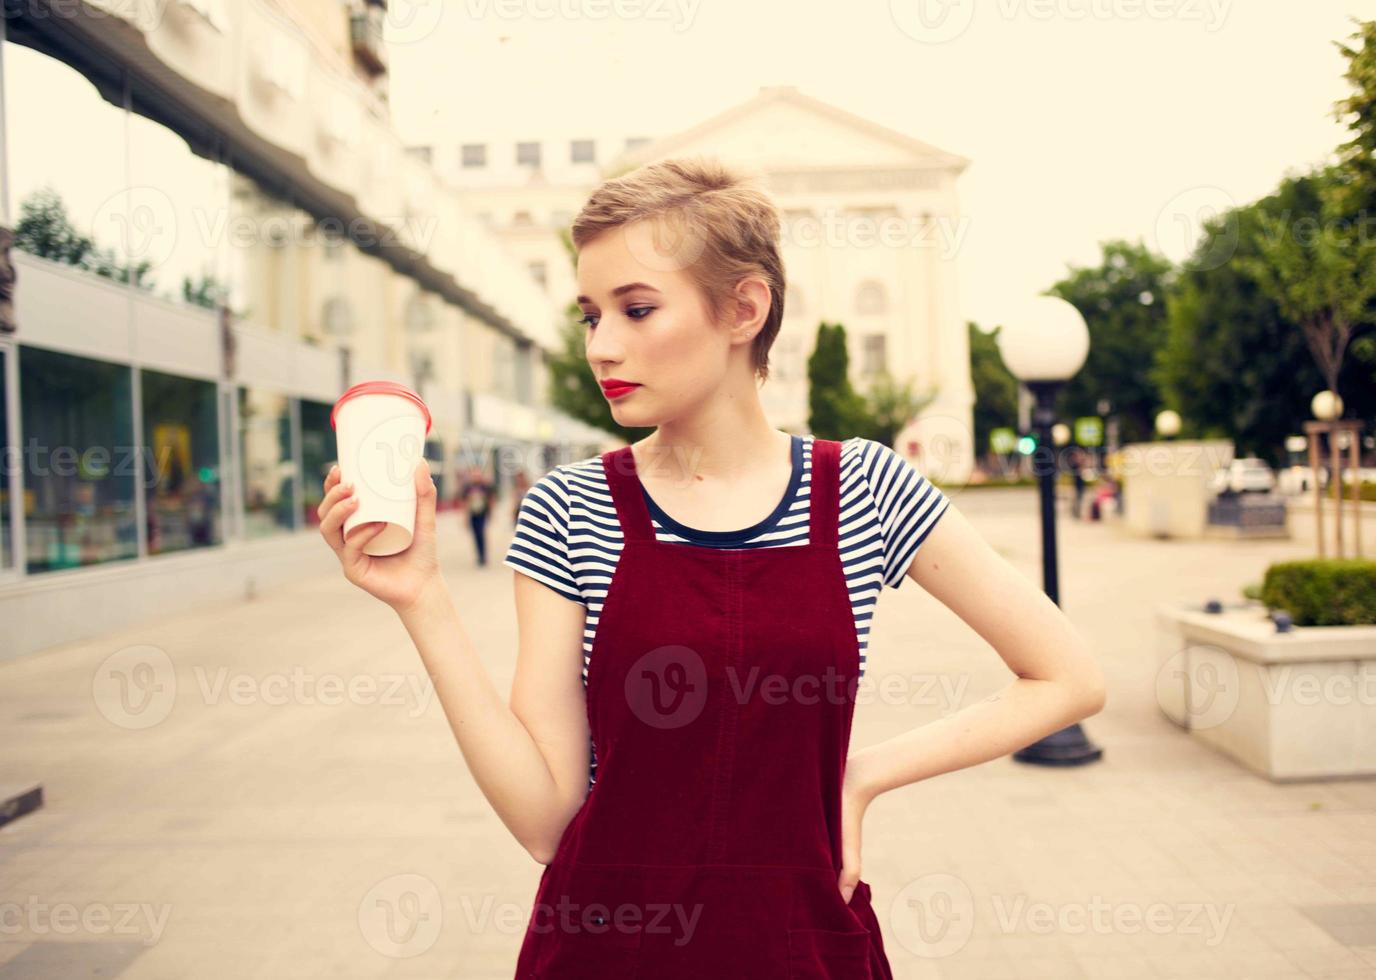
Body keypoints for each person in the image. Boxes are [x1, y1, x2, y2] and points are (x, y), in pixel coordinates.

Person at [314, 156, 1106, 978]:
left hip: (801, 946)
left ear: (743, 308)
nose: (601, 346)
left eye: (638, 308)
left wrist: (862, 778)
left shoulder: (864, 488)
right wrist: (423, 601)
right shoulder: (569, 509)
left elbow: (1069, 677)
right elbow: (548, 823)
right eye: (591, 316)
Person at [459, 467, 496, 567]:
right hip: (472, 514)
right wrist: (465, 517)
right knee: (475, 535)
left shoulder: (485, 486)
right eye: (474, 475)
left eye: (478, 475)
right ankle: (479, 556)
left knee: (481, 534)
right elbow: (465, 503)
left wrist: (491, 513)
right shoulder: (468, 487)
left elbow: (490, 500)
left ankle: (483, 556)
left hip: (482, 514)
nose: (476, 477)